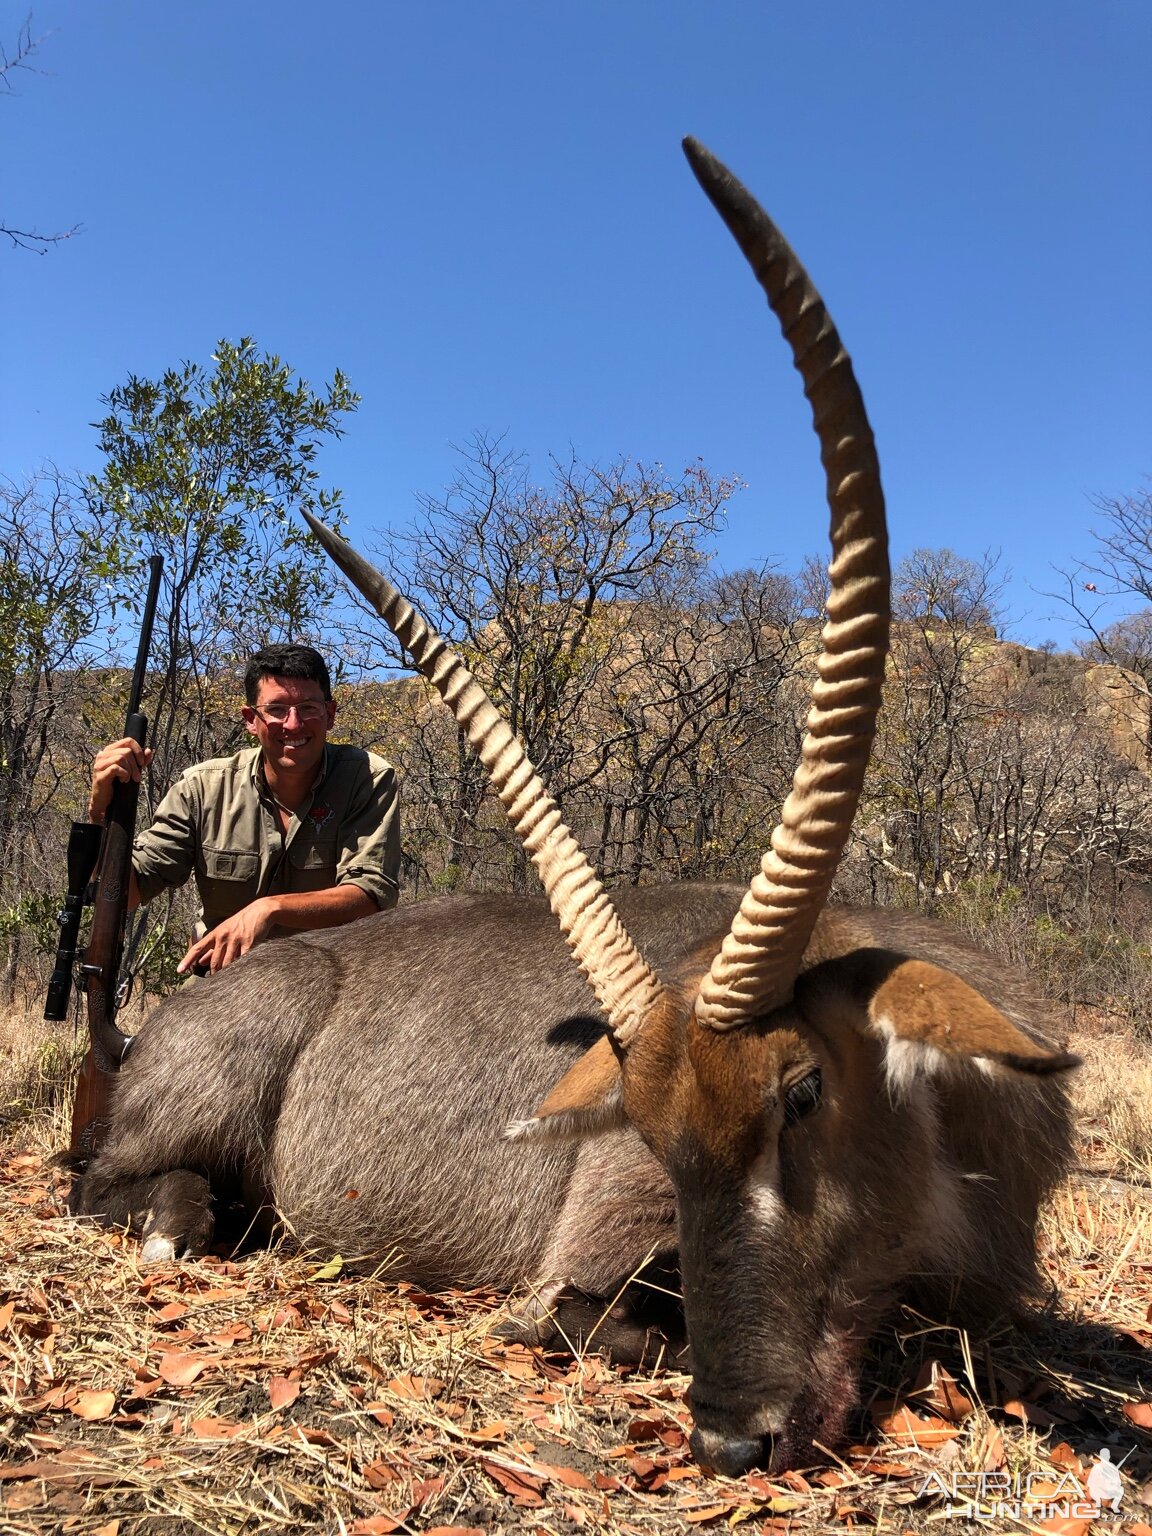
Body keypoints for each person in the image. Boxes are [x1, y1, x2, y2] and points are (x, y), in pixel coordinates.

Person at [88, 644, 400, 975]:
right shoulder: (203, 788)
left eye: (308, 707)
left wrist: (270, 909)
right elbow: (128, 893)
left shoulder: (367, 777)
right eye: (276, 709)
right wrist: (101, 813)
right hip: (225, 984)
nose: (293, 725)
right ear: (251, 719)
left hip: (333, 981)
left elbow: (369, 896)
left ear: (330, 714)